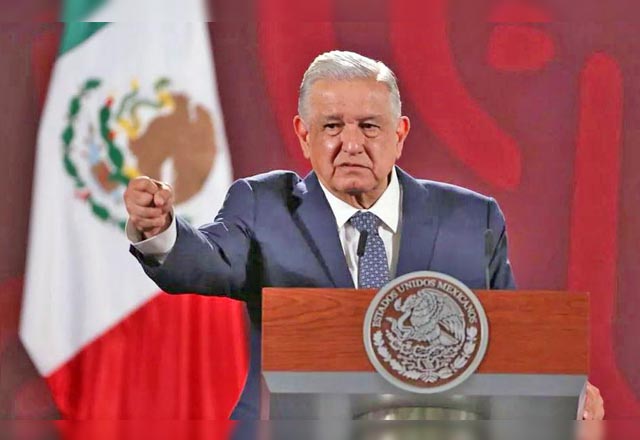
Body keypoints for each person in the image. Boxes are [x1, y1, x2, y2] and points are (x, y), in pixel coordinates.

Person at [124, 50, 603, 420]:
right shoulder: (265, 206)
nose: (351, 143)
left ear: (400, 134)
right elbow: (207, 260)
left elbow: (507, 343)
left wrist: (564, 393)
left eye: (369, 127)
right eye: (332, 126)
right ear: (304, 135)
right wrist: (161, 230)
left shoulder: (471, 218)